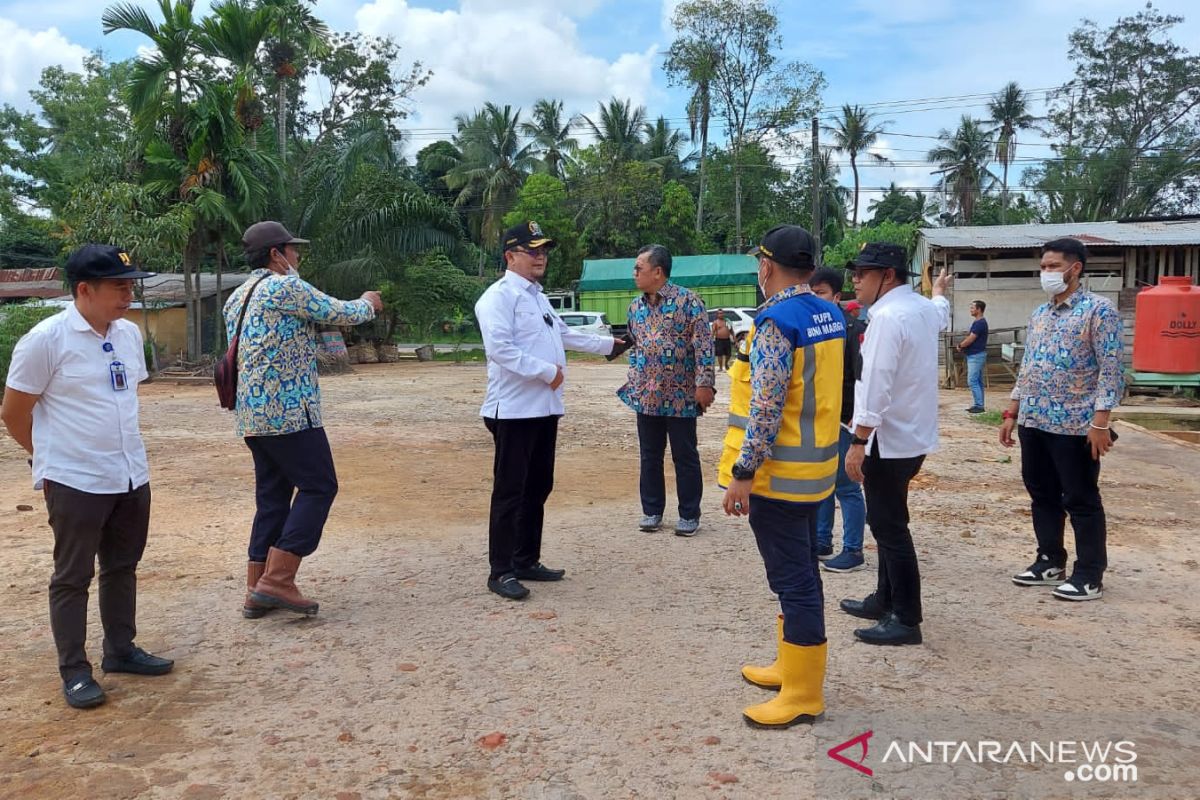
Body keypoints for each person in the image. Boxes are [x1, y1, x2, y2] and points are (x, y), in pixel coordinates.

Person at [2, 244, 173, 709]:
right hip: (75, 479)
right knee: (72, 576)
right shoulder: (46, 339)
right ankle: (75, 672)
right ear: (84, 289)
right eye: (119, 286)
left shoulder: (128, 335)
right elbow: (14, 412)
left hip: (129, 473)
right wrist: (51, 460)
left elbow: (121, 398)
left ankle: (121, 650)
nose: (128, 293)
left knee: (122, 566)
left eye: (131, 284)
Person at [224, 221, 381, 619]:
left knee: (272, 499)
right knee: (319, 486)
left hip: (253, 416)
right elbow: (339, 312)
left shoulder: (236, 297)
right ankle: (278, 579)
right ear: (277, 254)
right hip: (291, 413)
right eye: (294, 251)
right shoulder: (284, 287)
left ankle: (256, 587)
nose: (298, 258)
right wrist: (369, 303)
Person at [719, 225, 844, 728]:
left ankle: (802, 693)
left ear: (766, 266)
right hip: (816, 470)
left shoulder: (775, 322)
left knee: (793, 579)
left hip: (779, 477)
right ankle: (789, 667)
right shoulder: (828, 312)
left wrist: (742, 472)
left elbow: (766, 408)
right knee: (801, 573)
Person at [476, 221, 631, 600]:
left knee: (538, 486)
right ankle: (501, 570)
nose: (540, 256)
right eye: (532, 250)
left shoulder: (537, 297)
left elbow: (563, 333)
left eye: (543, 250)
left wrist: (611, 344)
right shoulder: (497, 297)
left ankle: (526, 559)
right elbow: (500, 350)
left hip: (544, 409)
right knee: (510, 491)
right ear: (510, 256)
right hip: (513, 410)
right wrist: (549, 373)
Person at [840, 243, 951, 646]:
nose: (855, 279)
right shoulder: (921, 308)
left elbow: (876, 383)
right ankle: (884, 598)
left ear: (887, 276)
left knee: (890, 529)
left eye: (862, 273)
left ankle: (905, 618)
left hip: (886, 441)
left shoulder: (887, 316)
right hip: (912, 436)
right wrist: (940, 290)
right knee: (887, 522)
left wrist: (859, 439)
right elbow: (942, 312)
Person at [1002, 238, 1122, 602]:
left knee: (1081, 497)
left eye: (1052, 266)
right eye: (1043, 267)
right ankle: (1049, 560)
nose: (1046, 273)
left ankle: (1089, 574)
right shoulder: (1040, 314)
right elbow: (1028, 367)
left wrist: (1100, 423)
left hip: (1076, 425)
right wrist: (1012, 411)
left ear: (1075, 269)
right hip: (1035, 420)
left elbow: (1111, 369)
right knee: (1042, 494)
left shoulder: (1098, 311)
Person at [619, 244, 715, 537]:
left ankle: (689, 514)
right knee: (649, 455)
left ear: (657, 272)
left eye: (639, 268)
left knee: (684, 456)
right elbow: (634, 345)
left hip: (681, 395)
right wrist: (634, 375)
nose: (634, 273)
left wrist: (705, 384)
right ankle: (651, 511)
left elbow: (703, 346)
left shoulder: (689, 302)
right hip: (645, 396)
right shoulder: (635, 308)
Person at [808, 267, 867, 573]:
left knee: (846, 486)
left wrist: (858, 427)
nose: (815, 299)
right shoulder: (815, 328)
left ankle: (854, 550)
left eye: (820, 294)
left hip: (845, 419)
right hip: (821, 418)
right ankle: (821, 541)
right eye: (811, 293)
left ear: (837, 296)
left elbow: (861, 380)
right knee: (823, 483)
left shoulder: (854, 330)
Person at [958, 300, 989, 413]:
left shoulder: (979, 323)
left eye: (972, 308)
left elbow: (971, 338)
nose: (970, 310)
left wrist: (961, 345)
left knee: (972, 381)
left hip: (976, 355)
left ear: (979, 309)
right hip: (977, 354)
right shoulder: (979, 322)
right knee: (978, 381)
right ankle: (979, 404)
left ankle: (979, 405)